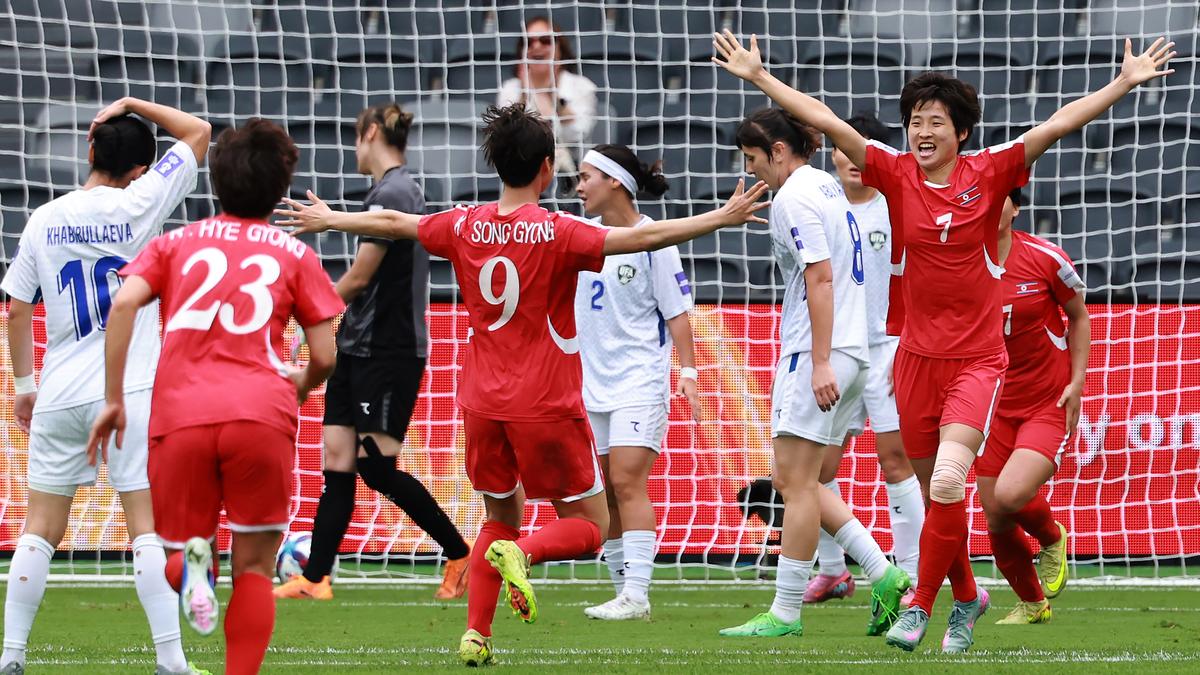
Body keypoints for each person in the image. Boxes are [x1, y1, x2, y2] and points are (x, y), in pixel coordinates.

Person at [712, 30, 1174, 653]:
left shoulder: (991, 171)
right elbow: (825, 120)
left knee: (951, 481)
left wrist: (1122, 83)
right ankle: (968, 596)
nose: (921, 131)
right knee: (938, 500)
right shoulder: (896, 174)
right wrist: (760, 77)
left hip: (977, 363)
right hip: (912, 360)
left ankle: (919, 604)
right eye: (913, 121)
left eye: (934, 121)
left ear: (960, 132)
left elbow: (1057, 124)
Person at [275, 103, 768, 666]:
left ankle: (477, 634)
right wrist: (718, 219)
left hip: (481, 401)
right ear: (547, 169)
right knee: (590, 522)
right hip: (544, 401)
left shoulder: (462, 223)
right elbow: (643, 239)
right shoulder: (560, 231)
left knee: (497, 516)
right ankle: (524, 556)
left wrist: (331, 218)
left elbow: (394, 224)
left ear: (495, 165)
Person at [87, 119, 344, 675]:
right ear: (281, 189)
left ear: (216, 182)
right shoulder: (294, 254)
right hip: (259, 411)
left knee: (176, 553)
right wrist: (299, 384)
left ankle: (191, 566)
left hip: (180, 414)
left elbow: (125, 305)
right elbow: (324, 354)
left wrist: (113, 397)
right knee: (253, 568)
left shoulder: (174, 244)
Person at [0, 97, 211, 675]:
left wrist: (24, 384)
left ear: (90, 150)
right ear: (141, 170)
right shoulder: (144, 201)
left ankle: (11, 655)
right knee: (145, 525)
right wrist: (132, 103)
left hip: (60, 391)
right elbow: (199, 131)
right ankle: (170, 660)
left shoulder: (45, 218)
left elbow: (16, 308)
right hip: (131, 389)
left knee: (39, 528)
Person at [717, 108, 910, 640]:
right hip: (854, 350)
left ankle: (784, 612)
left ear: (778, 151)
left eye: (755, 160)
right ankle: (884, 572)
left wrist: (820, 358)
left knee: (796, 484)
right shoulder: (825, 185)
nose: (754, 171)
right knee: (800, 478)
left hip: (818, 351)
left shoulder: (794, 197)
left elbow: (820, 278)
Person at [274, 102, 471, 603]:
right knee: (337, 461)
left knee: (376, 467)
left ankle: (458, 551)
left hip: (389, 348)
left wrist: (310, 320)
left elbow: (359, 277)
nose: (353, 147)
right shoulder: (385, 191)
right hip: (357, 346)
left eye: (356, 136)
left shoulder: (398, 189)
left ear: (370, 133)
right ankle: (316, 577)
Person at [572, 144, 701, 621]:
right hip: (592, 383)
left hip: (639, 380)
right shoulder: (583, 237)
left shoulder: (655, 240)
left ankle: (638, 593)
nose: (579, 187)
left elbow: (677, 313)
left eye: (586, 177)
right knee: (607, 489)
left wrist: (687, 373)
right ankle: (622, 594)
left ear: (614, 183)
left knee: (628, 481)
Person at [808, 113, 924, 606]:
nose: (854, 159)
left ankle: (916, 577)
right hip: (835, 351)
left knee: (897, 460)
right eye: (845, 148)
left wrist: (910, 343)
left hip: (887, 348)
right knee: (814, 469)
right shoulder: (822, 209)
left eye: (865, 149)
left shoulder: (895, 206)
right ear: (834, 154)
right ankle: (834, 571)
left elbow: (921, 278)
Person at [977, 190, 1087, 625]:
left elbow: (1079, 316)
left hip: (1046, 399)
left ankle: (1051, 534)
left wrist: (1076, 382)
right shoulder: (961, 262)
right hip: (991, 404)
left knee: (1010, 494)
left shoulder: (1045, 258)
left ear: (1016, 208)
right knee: (995, 517)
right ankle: (1033, 604)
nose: (989, 208)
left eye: (999, 200)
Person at [497, 15, 597, 174]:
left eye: (545, 40)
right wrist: (524, 93)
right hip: (522, 169)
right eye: (528, 42)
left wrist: (554, 96)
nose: (536, 46)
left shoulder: (581, 86)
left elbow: (577, 135)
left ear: (560, 48)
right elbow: (508, 137)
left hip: (572, 171)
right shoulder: (510, 88)